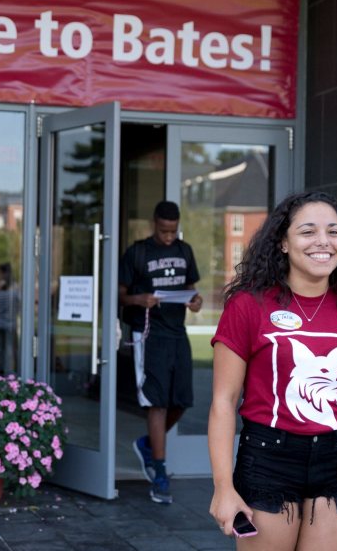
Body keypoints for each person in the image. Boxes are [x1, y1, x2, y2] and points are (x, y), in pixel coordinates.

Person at [207, 191, 337, 550]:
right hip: (268, 461)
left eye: (333, 232)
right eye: (308, 231)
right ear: (282, 242)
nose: (323, 242)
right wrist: (223, 487)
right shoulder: (248, 306)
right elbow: (224, 401)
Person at [119, 200, 202, 504]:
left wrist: (195, 301)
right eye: (164, 231)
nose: (169, 237)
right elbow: (121, 296)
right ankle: (160, 471)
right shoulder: (138, 252)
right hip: (149, 334)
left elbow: (192, 290)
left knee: (182, 399)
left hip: (177, 333)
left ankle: (147, 445)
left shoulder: (184, 250)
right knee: (157, 402)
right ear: (155, 223)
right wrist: (140, 299)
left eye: (173, 231)